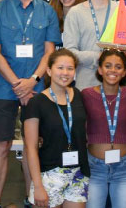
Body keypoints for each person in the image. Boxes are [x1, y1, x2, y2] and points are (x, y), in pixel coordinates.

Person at [0, 0, 61, 208]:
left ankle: (31, 200)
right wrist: (19, 84)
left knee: (32, 147)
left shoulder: (47, 11)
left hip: (37, 90)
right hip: (6, 88)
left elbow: (49, 52)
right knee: (2, 145)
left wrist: (33, 81)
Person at [24, 49, 90, 208]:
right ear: (48, 70)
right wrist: (38, 186)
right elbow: (30, 148)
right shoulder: (36, 103)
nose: (65, 73)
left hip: (78, 173)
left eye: (70, 68)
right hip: (49, 174)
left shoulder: (78, 95)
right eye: (60, 68)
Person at [82, 49, 126, 208]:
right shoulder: (86, 94)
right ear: (100, 69)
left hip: (124, 168)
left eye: (118, 67)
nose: (113, 70)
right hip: (95, 168)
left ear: (125, 72)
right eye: (108, 65)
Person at [63, 0, 120, 90]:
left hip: (116, 84)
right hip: (85, 85)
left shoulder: (122, 10)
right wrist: (98, 57)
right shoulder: (75, 13)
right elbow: (69, 52)